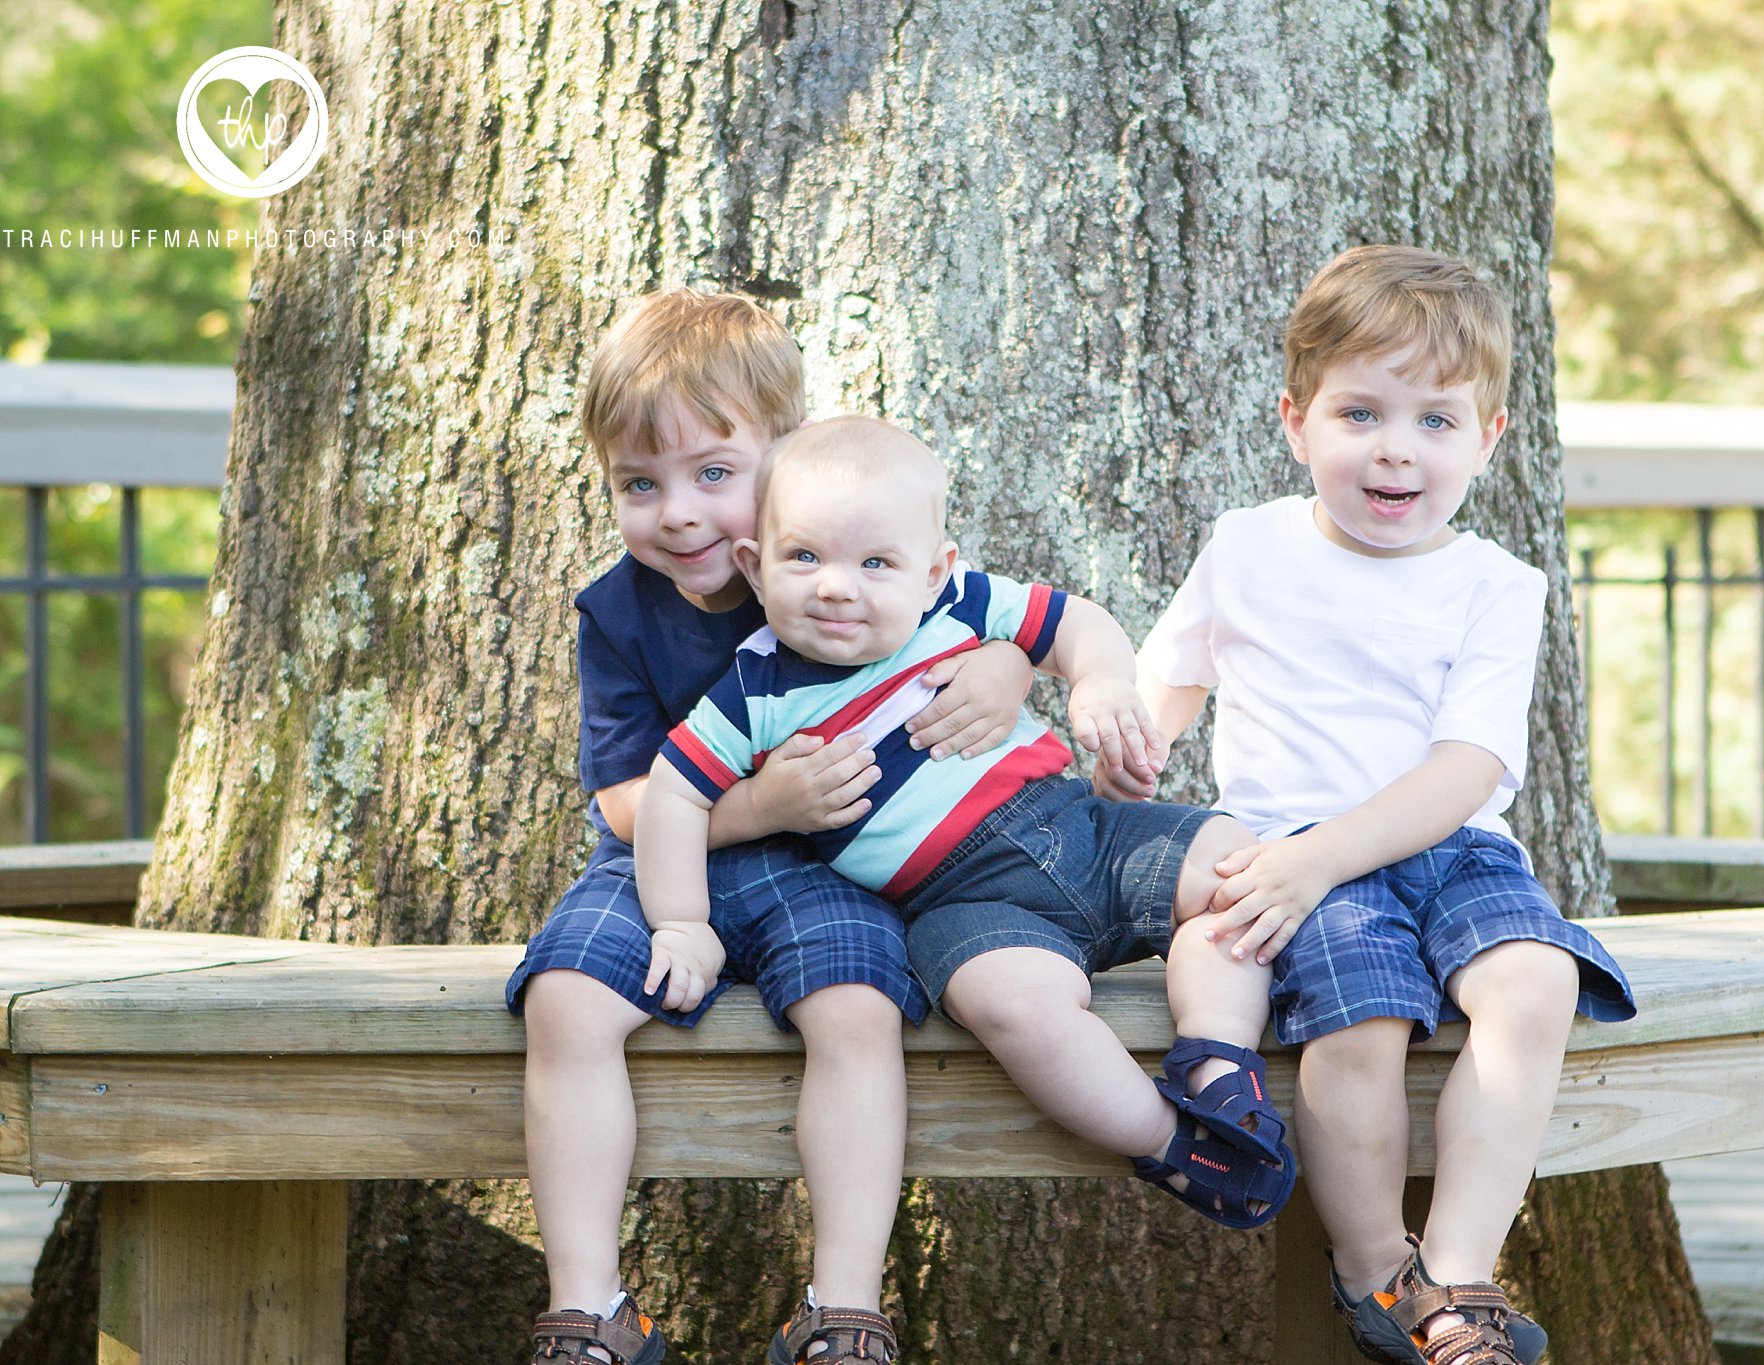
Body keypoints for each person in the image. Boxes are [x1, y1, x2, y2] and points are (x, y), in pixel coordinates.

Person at [634, 417, 1295, 1349]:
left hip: (1084, 829)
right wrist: (680, 920)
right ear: (752, 561)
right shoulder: (756, 690)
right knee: (1013, 1008)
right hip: (961, 904)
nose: (835, 586)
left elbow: (1073, 623)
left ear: (935, 570)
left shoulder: (963, 609)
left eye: (874, 564)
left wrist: (1101, 683)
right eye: (804, 556)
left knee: (1240, 867)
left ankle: (1218, 1062)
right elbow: (670, 795)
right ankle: (1168, 1143)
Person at [1115, 244, 1638, 1365]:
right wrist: (1134, 747)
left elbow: (1465, 768)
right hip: (1288, 847)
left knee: (1535, 977)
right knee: (1356, 1028)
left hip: (1448, 846)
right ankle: (1370, 1271)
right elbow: (1170, 682)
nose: (1394, 447)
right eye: (1359, 412)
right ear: (1295, 420)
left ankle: (1453, 1273)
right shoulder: (1246, 546)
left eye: (1434, 421)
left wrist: (1328, 858)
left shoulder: (1496, 586)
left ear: (1488, 439)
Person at [506, 291, 1041, 1365]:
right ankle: (590, 1307)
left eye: (713, 473)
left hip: (830, 867)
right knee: (564, 1001)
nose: (679, 514)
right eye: (638, 485)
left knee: (855, 1011)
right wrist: (761, 805)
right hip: (661, 865)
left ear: (783, 453)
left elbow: (990, 622)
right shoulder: (615, 611)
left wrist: (1005, 662)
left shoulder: (831, 563)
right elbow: (622, 801)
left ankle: (842, 1306)